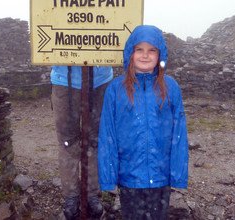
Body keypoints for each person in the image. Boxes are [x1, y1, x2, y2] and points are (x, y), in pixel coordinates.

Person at [98, 25, 189, 220]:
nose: (145, 55)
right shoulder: (116, 89)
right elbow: (108, 135)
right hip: (130, 178)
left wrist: (178, 173)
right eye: (139, 49)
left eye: (152, 50)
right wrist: (108, 177)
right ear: (130, 53)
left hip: (160, 177)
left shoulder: (170, 87)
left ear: (160, 54)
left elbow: (179, 133)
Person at [50, 65, 113, 219]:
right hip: (64, 79)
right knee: (67, 142)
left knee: (95, 141)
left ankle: (91, 193)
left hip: (100, 80)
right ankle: (71, 195)